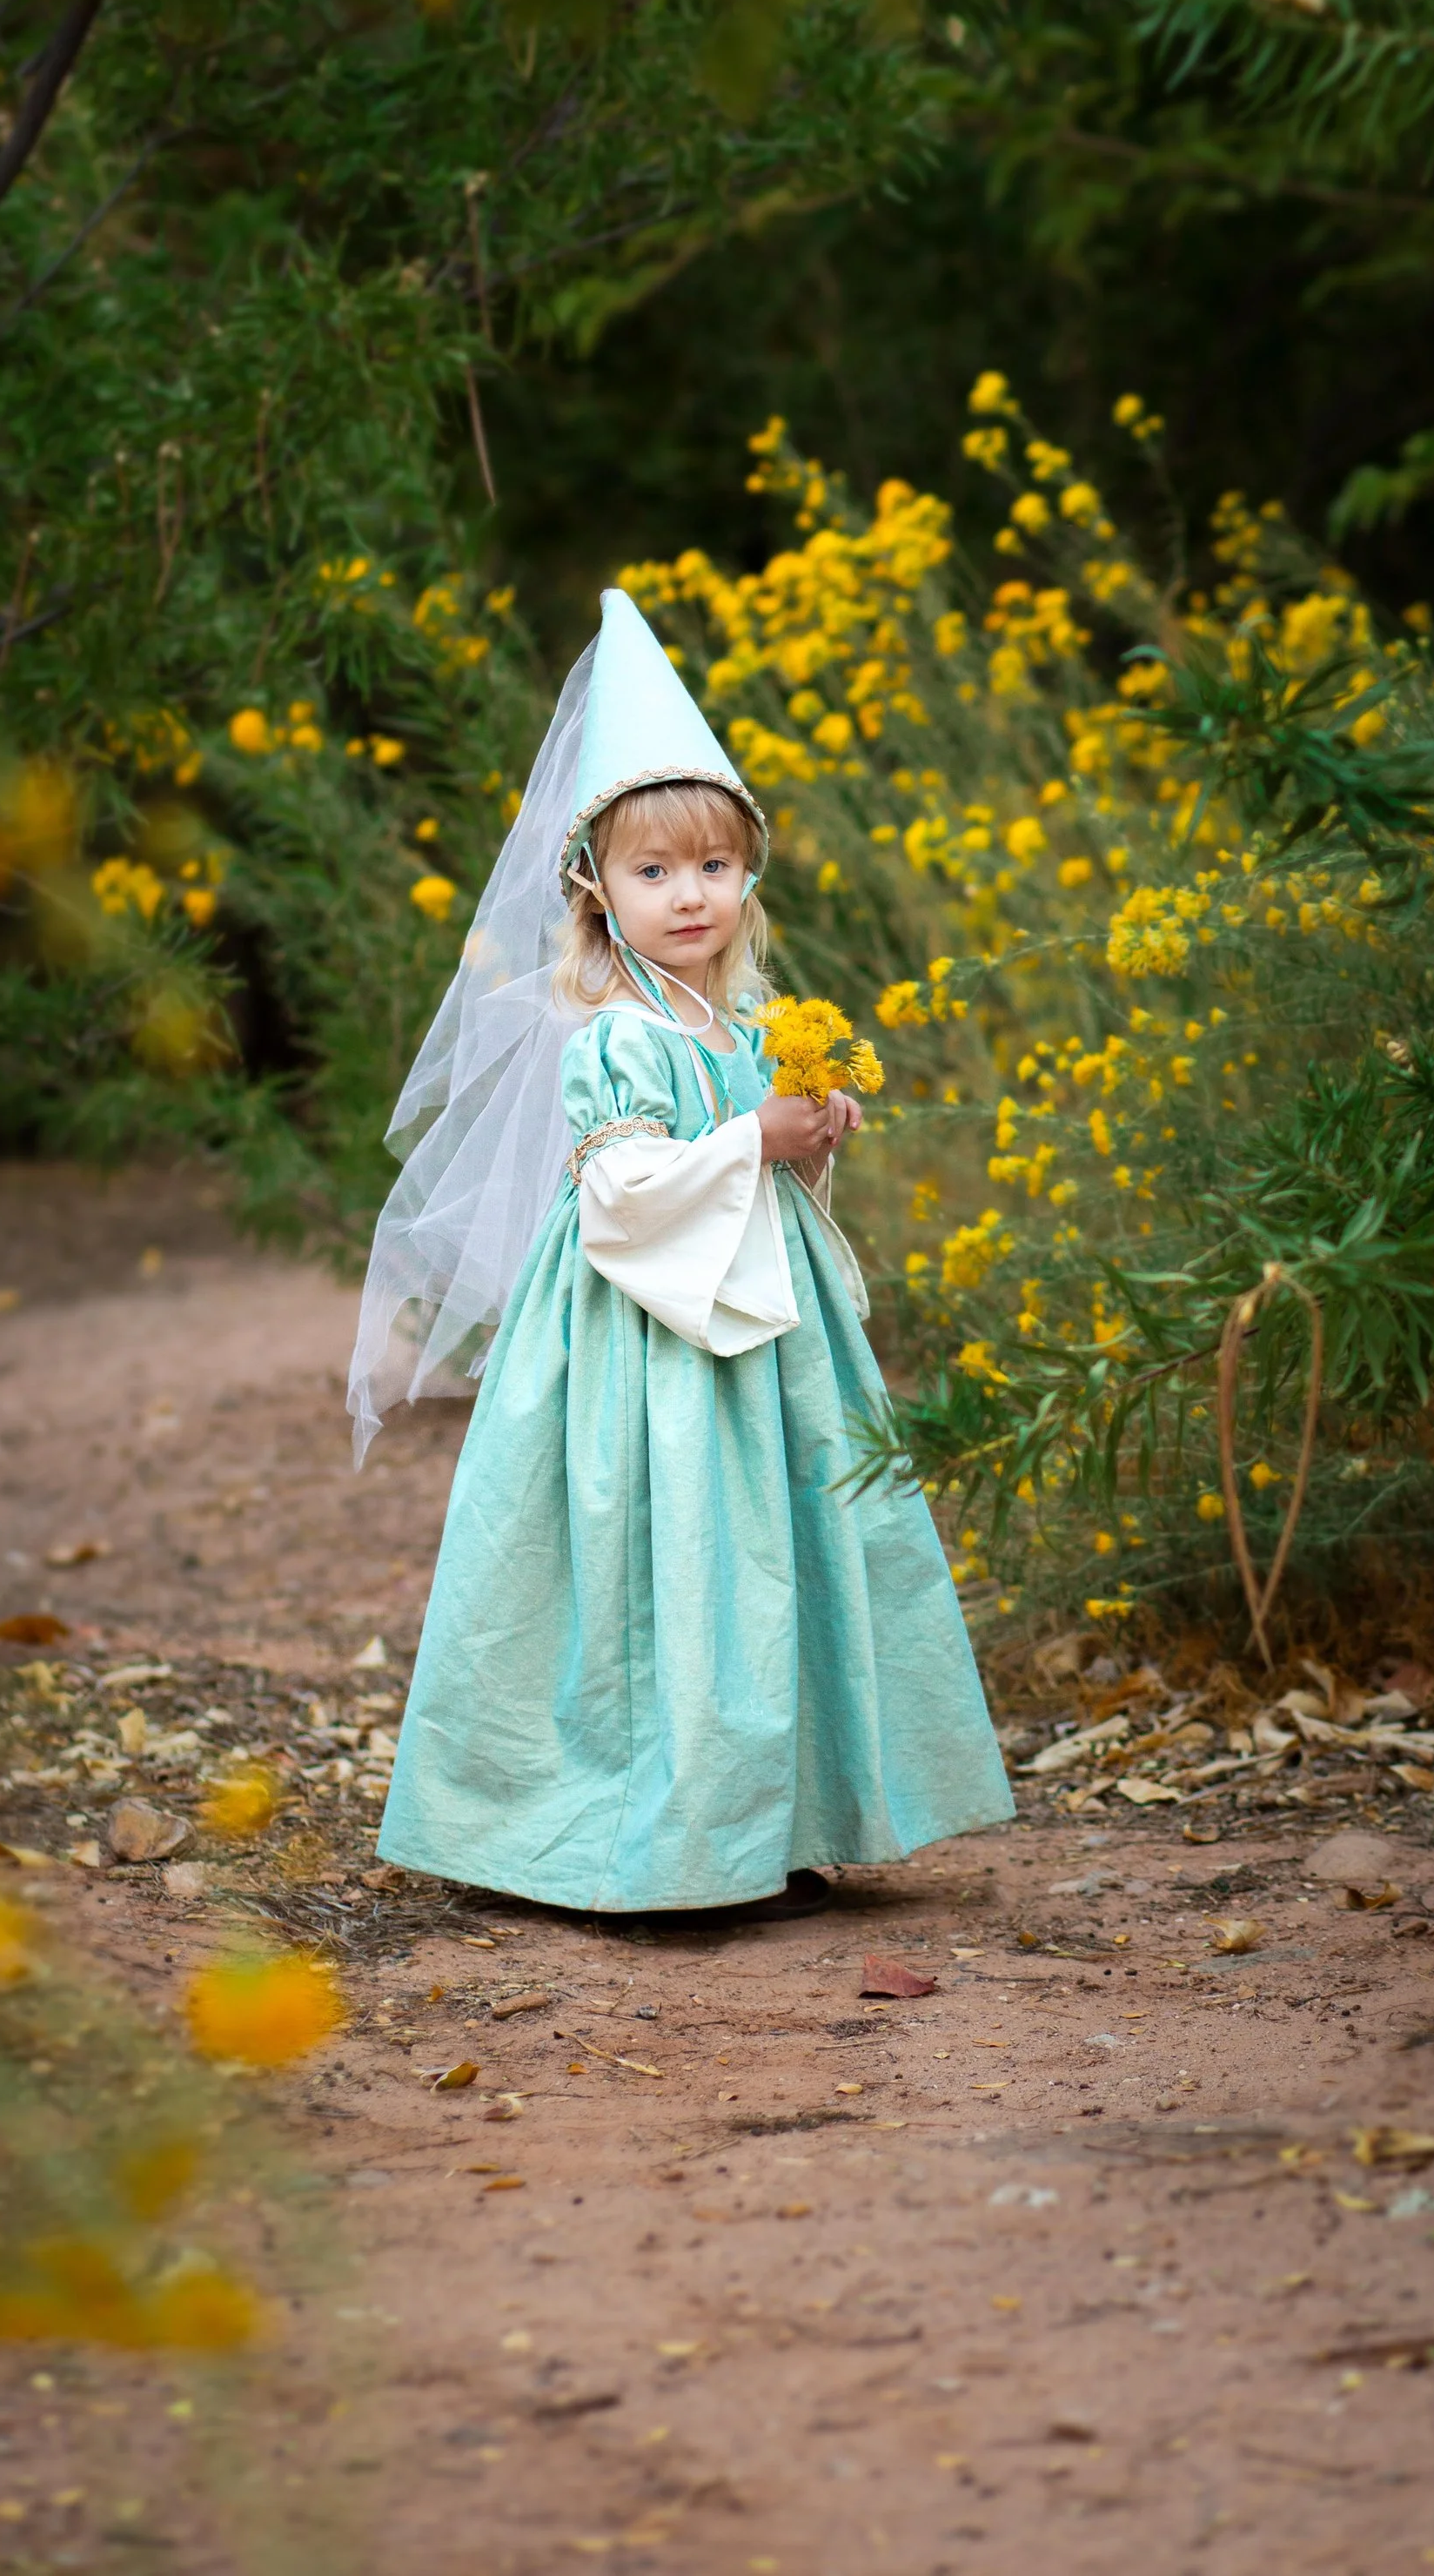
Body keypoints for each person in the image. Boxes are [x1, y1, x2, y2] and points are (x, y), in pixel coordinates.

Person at [350, 587, 1013, 1915]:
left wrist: (810, 1126)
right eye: (654, 871)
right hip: (640, 1341)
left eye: (712, 865)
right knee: (671, 1554)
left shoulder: (745, 1018)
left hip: (767, 1333)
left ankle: (782, 1808)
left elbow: (757, 1150)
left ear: (747, 874)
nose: (688, 894)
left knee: (785, 1540)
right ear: (597, 885)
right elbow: (624, 1194)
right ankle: (640, 1823)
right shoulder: (615, 1035)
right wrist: (749, 1144)